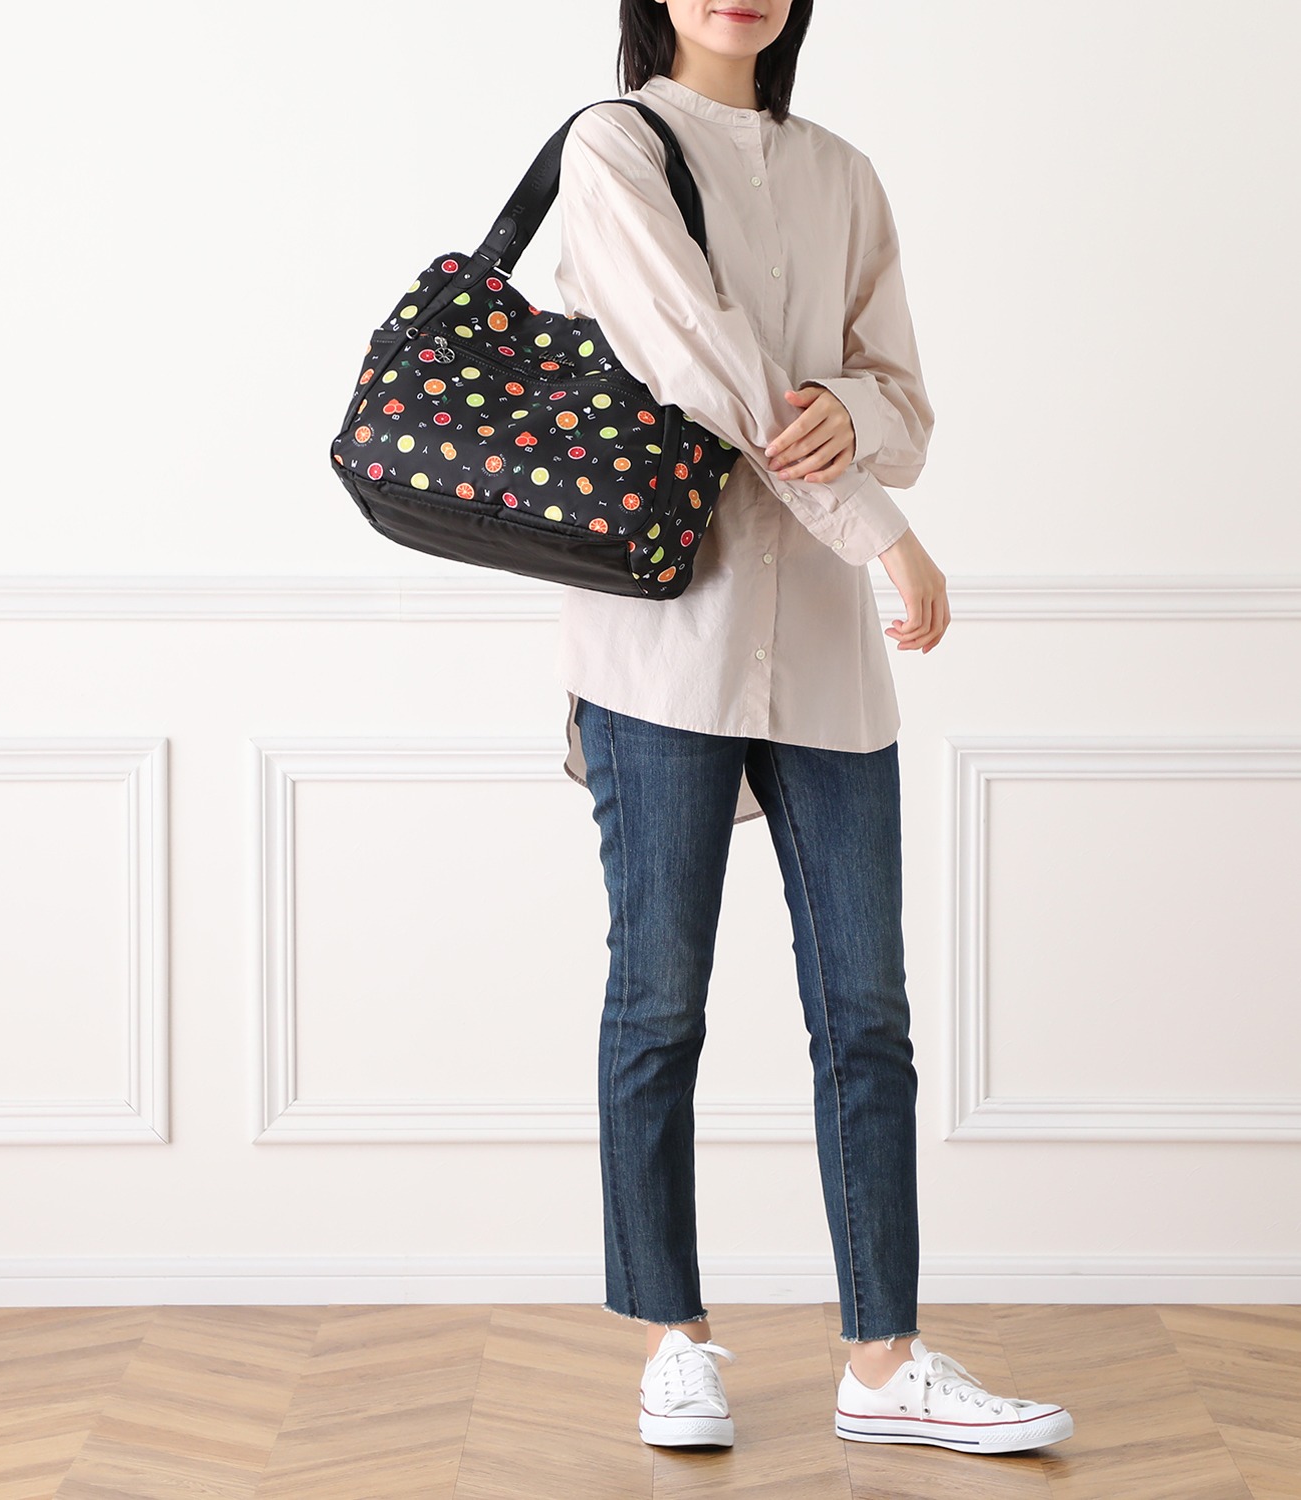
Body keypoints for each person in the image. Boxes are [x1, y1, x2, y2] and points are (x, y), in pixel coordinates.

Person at [553, 0, 1074, 1458]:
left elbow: (904, 405)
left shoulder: (844, 174)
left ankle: (883, 1362)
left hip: (830, 666)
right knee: (659, 999)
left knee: (868, 1017)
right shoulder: (615, 150)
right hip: (667, 644)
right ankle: (672, 1339)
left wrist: (851, 408)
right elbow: (708, 373)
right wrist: (883, 533)